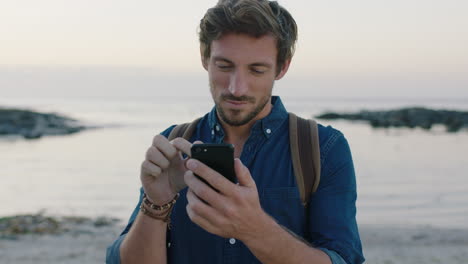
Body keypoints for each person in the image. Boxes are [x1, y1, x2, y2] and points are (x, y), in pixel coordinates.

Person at [107, 0, 364, 263]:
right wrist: (156, 204)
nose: (237, 88)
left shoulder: (323, 148)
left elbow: (344, 259)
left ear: (282, 67)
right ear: (205, 58)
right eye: (224, 66)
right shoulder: (174, 142)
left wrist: (254, 229)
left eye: (256, 70)